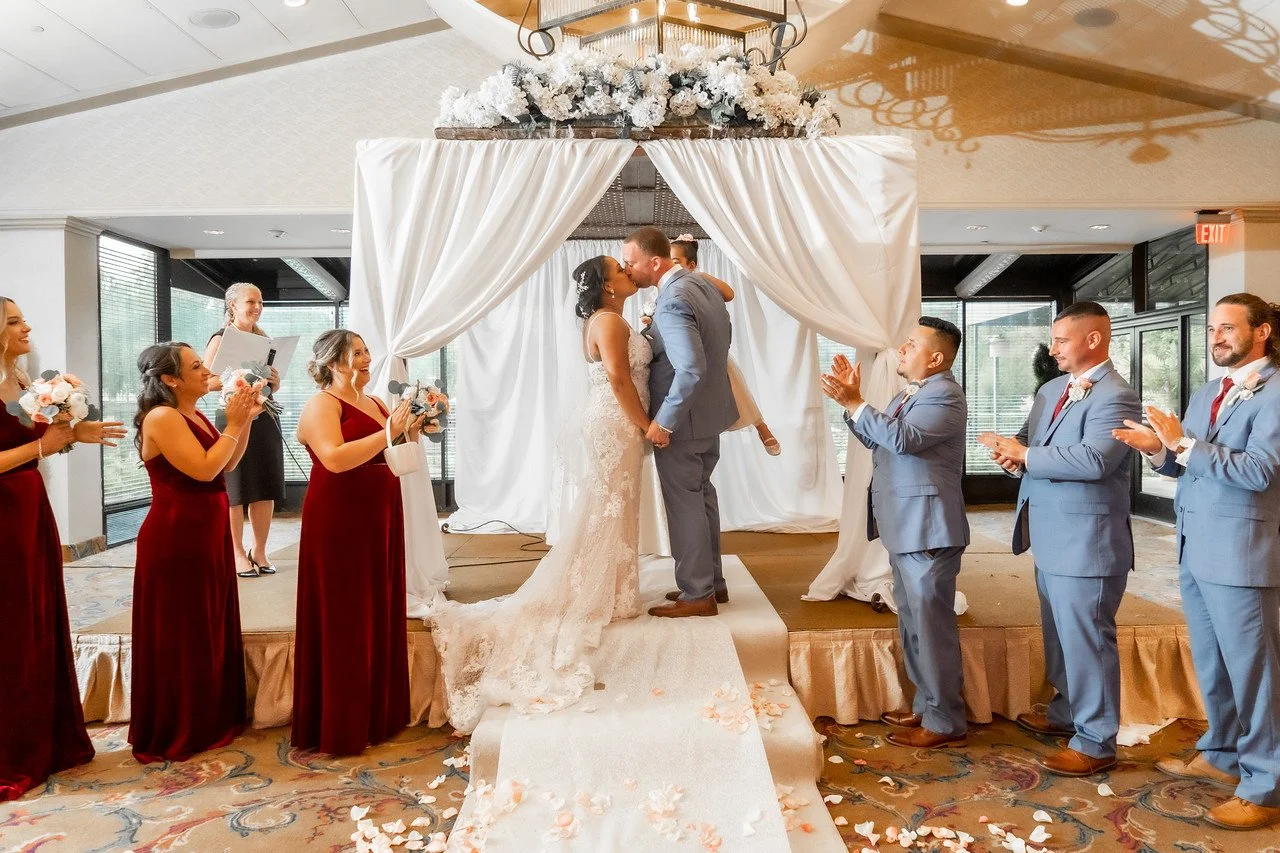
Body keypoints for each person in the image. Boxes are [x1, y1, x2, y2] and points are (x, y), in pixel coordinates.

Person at [430, 256, 649, 732]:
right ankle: (602, 593)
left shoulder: (611, 317)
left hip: (613, 421)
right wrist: (645, 423)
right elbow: (618, 378)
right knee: (607, 510)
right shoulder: (609, 321)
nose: (628, 272)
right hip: (615, 421)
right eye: (619, 269)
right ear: (607, 286)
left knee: (611, 510)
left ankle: (613, 590)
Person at [1114, 293, 1280, 831]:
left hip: (1242, 552)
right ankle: (1223, 752)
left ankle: (1266, 784)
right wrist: (1156, 449)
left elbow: (1259, 472)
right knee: (1213, 663)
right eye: (1212, 329)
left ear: (1263, 333)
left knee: (1255, 674)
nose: (1216, 338)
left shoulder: (1276, 392)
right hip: (1193, 546)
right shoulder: (1210, 390)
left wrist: (1183, 443)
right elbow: (1187, 466)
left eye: (1228, 328)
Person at [979, 302, 1140, 777]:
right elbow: (1032, 442)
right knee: (1060, 635)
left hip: (1088, 541)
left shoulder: (1118, 396)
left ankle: (1095, 742)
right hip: (1049, 534)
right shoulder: (1052, 389)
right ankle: (1067, 711)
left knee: (1088, 639)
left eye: (1061, 340)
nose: (1053, 349)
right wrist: (1011, 457)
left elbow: (1094, 461)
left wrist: (1026, 454)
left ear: (1094, 340)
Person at [820, 317, 970, 750]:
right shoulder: (915, 394)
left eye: (910, 345)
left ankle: (945, 722)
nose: (902, 351)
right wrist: (851, 407)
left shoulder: (945, 396)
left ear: (936, 358)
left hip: (928, 528)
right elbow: (878, 439)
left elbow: (903, 440)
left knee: (931, 626)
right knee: (912, 623)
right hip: (906, 525)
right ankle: (926, 705)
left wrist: (857, 402)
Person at [0, 296, 124, 800]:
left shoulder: (24, 382)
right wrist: (41, 448)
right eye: (13, 321)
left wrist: (76, 433)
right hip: (3, 517)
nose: (27, 326)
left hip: (29, 509)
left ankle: (46, 739)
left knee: (37, 619)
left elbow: (35, 440)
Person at [292, 330, 423, 754]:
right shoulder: (321, 405)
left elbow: (394, 450)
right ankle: (342, 722)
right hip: (339, 517)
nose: (366, 358)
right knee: (346, 614)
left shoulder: (377, 402)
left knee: (377, 607)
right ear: (333, 363)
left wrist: (414, 427)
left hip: (379, 514)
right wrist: (389, 432)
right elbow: (334, 458)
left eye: (367, 351)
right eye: (357, 353)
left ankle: (377, 713)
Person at [130, 342, 261, 763]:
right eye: (196, 365)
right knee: (182, 630)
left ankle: (210, 715)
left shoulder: (192, 412)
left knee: (207, 622)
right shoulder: (163, 416)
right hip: (176, 537)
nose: (207, 369)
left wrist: (245, 424)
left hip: (205, 533)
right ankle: (181, 725)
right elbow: (203, 469)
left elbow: (226, 464)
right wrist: (233, 423)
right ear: (170, 379)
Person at [625, 227, 738, 618]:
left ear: (654, 262)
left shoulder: (672, 301)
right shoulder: (703, 286)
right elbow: (721, 341)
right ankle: (714, 584)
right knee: (703, 497)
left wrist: (665, 422)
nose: (628, 269)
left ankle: (697, 594)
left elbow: (689, 368)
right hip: (711, 414)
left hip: (684, 421)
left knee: (685, 503)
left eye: (631, 262)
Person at [669, 236, 781, 456]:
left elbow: (729, 293)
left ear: (690, 265)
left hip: (708, 346)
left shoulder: (697, 280)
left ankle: (760, 424)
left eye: (675, 262)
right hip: (684, 350)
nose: (670, 267)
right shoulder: (666, 290)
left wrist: (699, 277)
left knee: (731, 379)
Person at [204, 283, 285, 579]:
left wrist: (274, 380)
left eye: (261, 302)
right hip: (232, 415)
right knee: (235, 487)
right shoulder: (220, 339)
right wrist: (238, 374)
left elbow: (274, 383)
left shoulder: (265, 340)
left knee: (265, 483)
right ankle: (236, 552)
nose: (258, 307)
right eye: (251, 301)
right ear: (233, 305)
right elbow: (205, 382)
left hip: (264, 415)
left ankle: (259, 551)